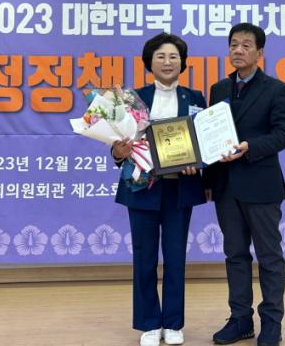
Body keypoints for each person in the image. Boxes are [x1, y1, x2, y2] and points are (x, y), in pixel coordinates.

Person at [112, 32, 207, 346]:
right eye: (161, 57)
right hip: (143, 187)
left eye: (174, 57)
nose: (168, 62)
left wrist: (198, 164)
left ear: (182, 63)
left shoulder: (195, 98)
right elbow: (117, 143)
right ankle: (149, 323)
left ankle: (173, 322)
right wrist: (118, 151)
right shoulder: (132, 99)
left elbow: (204, 142)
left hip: (180, 188)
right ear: (149, 63)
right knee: (144, 257)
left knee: (176, 256)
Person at [203, 23, 285, 346]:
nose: (238, 50)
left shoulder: (276, 89)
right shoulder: (218, 89)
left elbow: (283, 135)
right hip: (226, 186)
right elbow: (210, 137)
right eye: (233, 45)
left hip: (261, 184)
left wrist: (249, 147)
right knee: (235, 255)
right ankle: (240, 319)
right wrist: (209, 181)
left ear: (260, 52)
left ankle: (272, 322)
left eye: (245, 45)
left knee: (269, 257)